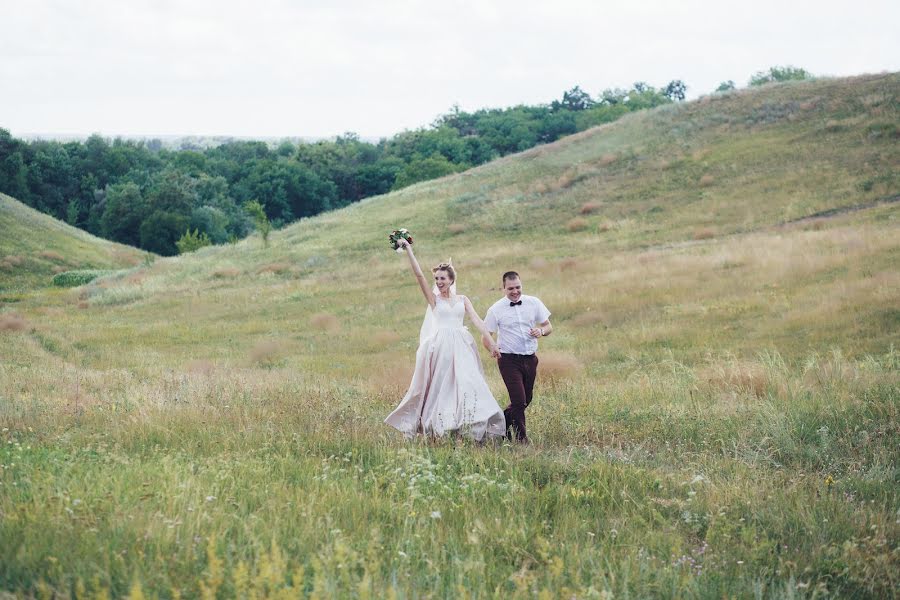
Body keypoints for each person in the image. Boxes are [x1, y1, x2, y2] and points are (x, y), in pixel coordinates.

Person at [384, 239, 506, 441]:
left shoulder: (462, 299)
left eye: (442, 278)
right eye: (437, 279)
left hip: (462, 345)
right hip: (440, 346)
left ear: (451, 280)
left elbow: (476, 320)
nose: (439, 282)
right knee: (443, 387)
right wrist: (409, 250)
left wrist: (491, 343)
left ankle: (471, 426)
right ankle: (440, 426)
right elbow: (419, 275)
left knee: (468, 383)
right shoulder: (434, 300)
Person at [483, 271, 552, 443]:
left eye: (518, 287)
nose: (515, 291)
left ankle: (501, 425)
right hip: (508, 360)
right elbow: (486, 336)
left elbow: (548, 325)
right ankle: (522, 440)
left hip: (530, 359)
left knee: (526, 399)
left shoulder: (533, 302)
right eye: (510, 288)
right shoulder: (495, 309)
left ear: (521, 285)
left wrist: (541, 331)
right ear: (503, 288)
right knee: (519, 400)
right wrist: (492, 347)